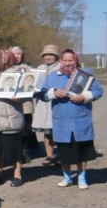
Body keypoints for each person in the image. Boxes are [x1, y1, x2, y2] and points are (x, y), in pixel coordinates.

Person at [39, 49, 103, 189]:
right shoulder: (53, 76)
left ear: (76, 60)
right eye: (65, 60)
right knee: (64, 152)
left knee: (82, 152)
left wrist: (84, 96)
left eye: (71, 60)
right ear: (61, 61)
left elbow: (98, 91)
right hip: (61, 121)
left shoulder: (85, 74)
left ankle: (82, 177)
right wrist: (54, 92)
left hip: (80, 120)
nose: (68, 63)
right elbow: (42, 94)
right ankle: (67, 176)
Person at [0, 49, 28, 186]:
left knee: (14, 149)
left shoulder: (17, 74)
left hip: (10, 117)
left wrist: (17, 98)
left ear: (5, 60)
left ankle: (17, 175)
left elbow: (26, 94)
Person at [31, 44, 62, 165]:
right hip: (42, 102)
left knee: (58, 130)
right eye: (46, 55)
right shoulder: (39, 68)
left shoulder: (61, 67)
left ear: (56, 56)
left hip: (57, 102)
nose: (48, 57)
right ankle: (49, 155)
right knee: (47, 131)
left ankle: (61, 155)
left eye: (51, 55)